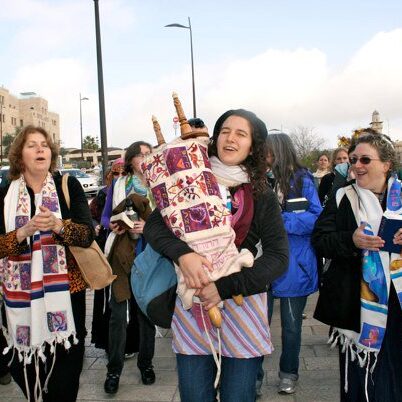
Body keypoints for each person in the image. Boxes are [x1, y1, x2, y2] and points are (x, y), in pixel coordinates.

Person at [144, 109, 289, 402]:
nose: (230, 138)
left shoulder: (261, 193)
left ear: (253, 145)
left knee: (238, 395)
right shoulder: (187, 179)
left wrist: (222, 288)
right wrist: (184, 255)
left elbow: (278, 257)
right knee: (195, 395)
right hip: (192, 304)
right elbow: (154, 227)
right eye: (225, 131)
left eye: (240, 133)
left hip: (242, 303)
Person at [0, 125, 94, 401]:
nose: (41, 148)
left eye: (44, 144)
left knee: (66, 368)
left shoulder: (69, 185)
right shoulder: (6, 194)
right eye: (32, 144)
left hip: (67, 291)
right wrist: (24, 232)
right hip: (20, 294)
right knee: (22, 364)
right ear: (20, 156)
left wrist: (57, 225)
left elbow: (86, 235)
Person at [312, 132, 402, 402]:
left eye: (365, 159)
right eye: (353, 160)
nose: (357, 165)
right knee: (361, 380)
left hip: (397, 303)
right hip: (357, 304)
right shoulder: (342, 197)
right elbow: (320, 240)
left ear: (386, 164)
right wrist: (350, 240)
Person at [257, 133, 321, 395]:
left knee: (291, 327)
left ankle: (288, 373)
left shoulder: (303, 179)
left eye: (268, 153)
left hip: (295, 265)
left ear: (279, 152)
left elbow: (315, 217)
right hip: (262, 264)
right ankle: (254, 377)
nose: (265, 158)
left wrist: (279, 221)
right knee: (257, 325)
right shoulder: (260, 181)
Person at [101, 141, 157, 394]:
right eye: (140, 154)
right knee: (117, 315)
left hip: (150, 254)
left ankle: (146, 364)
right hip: (121, 255)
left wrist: (149, 227)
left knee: (146, 314)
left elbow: (170, 219)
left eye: (149, 154)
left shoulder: (160, 184)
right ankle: (113, 371)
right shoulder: (119, 184)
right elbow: (104, 216)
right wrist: (111, 223)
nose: (145, 158)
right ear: (131, 159)